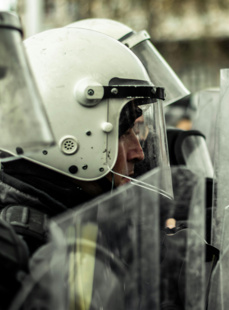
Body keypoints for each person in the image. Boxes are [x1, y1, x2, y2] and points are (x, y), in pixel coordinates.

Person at [0, 26, 169, 308]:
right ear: (72, 138)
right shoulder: (22, 256)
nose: (139, 153)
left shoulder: (77, 221)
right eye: (124, 131)